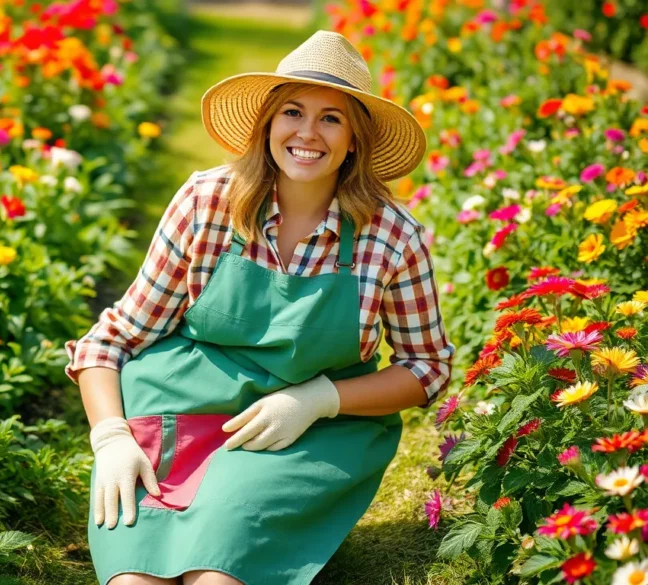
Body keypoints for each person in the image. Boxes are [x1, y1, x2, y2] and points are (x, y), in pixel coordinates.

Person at [64, 30, 456, 585]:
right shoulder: (206, 202)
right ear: (268, 123)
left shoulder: (391, 236)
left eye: (331, 118)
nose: (307, 133)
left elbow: (427, 367)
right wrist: (110, 438)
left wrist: (320, 399)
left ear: (354, 142)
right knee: (135, 580)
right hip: (183, 411)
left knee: (216, 577)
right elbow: (112, 340)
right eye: (293, 111)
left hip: (305, 433)